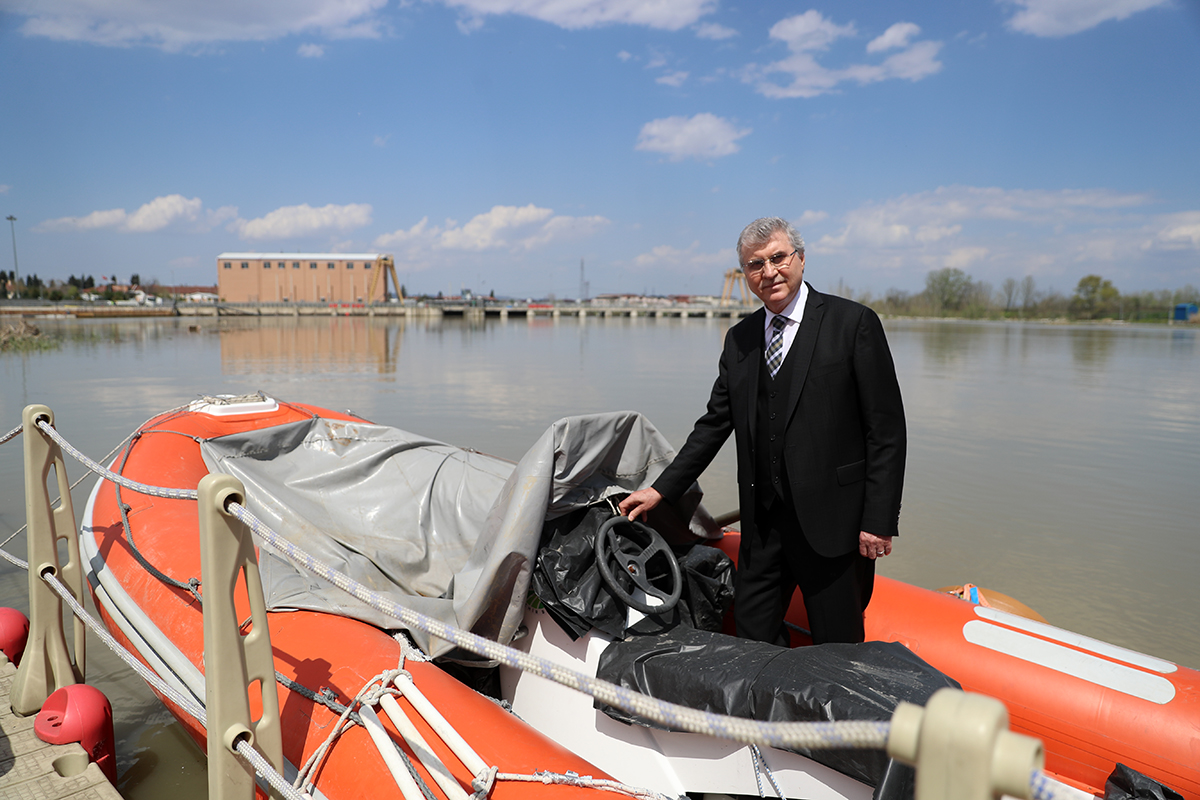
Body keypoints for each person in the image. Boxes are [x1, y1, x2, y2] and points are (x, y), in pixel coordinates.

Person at [619, 217, 906, 645]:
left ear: (801, 260)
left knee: (838, 644)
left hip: (834, 526)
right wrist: (661, 490)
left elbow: (886, 430)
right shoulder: (740, 339)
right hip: (764, 527)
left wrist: (878, 520)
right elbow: (714, 424)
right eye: (755, 264)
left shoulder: (853, 324)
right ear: (746, 274)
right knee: (752, 635)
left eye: (778, 258)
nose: (769, 271)